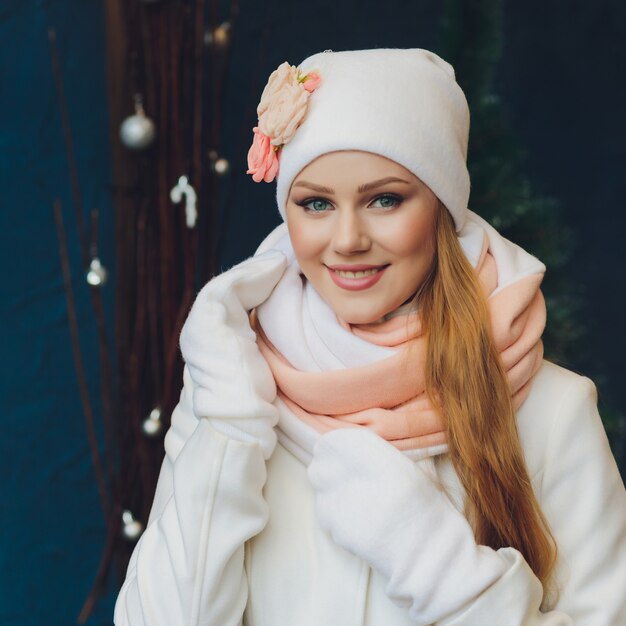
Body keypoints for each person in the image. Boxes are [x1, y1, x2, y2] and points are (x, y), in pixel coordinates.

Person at [113, 48, 626, 625]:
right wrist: (230, 429)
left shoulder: (553, 411)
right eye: (315, 203)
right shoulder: (231, 389)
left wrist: (438, 566)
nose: (348, 239)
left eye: (384, 199)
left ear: (441, 208)